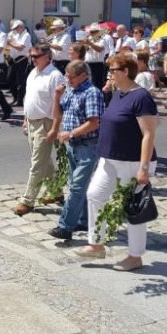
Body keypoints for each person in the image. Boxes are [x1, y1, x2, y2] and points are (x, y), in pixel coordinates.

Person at [80, 52, 159, 272]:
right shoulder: (118, 93)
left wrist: (144, 168)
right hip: (109, 159)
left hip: (133, 162)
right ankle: (96, 244)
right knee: (95, 195)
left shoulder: (141, 97)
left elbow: (149, 134)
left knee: (132, 209)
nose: (109, 74)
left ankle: (135, 256)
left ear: (125, 71)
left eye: (112, 70)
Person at [47, 60, 105, 240]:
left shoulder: (91, 93)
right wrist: (57, 97)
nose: (68, 79)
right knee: (76, 185)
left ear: (83, 76)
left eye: (71, 77)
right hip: (72, 145)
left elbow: (94, 122)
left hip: (88, 145)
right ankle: (83, 219)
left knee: (77, 188)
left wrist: (71, 133)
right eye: (67, 75)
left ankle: (65, 227)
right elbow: (58, 113)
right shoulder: (71, 91)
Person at [12, 44, 64, 216]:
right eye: (31, 56)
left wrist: (55, 128)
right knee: (43, 160)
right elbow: (30, 96)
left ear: (47, 56)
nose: (33, 59)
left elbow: (60, 104)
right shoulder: (33, 73)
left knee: (36, 163)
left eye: (36, 56)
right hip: (33, 121)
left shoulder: (55, 75)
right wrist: (26, 118)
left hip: (46, 122)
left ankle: (28, 201)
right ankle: (56, 191)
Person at [7, 19, 32, 106]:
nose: (15, 30)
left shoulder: (26, 35)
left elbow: (20, 47)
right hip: (13, 59)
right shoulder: (17, 34)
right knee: (9, 79)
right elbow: (14, 45)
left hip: (22, 59)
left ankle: (19, 100)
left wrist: (9, 43)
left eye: (16, 28)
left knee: (21, 81)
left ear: (21, 27)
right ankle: (15, 97)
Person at [84, 23, 108, 89]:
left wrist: (90, 43)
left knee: (97, 84)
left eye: (92, 32)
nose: (91, 33)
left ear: (98, 32)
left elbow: (99, 49)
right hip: (88, 64)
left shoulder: (103, 41)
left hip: (97, 65)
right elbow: (86, 49)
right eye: (90, 32)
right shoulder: (90, 40)